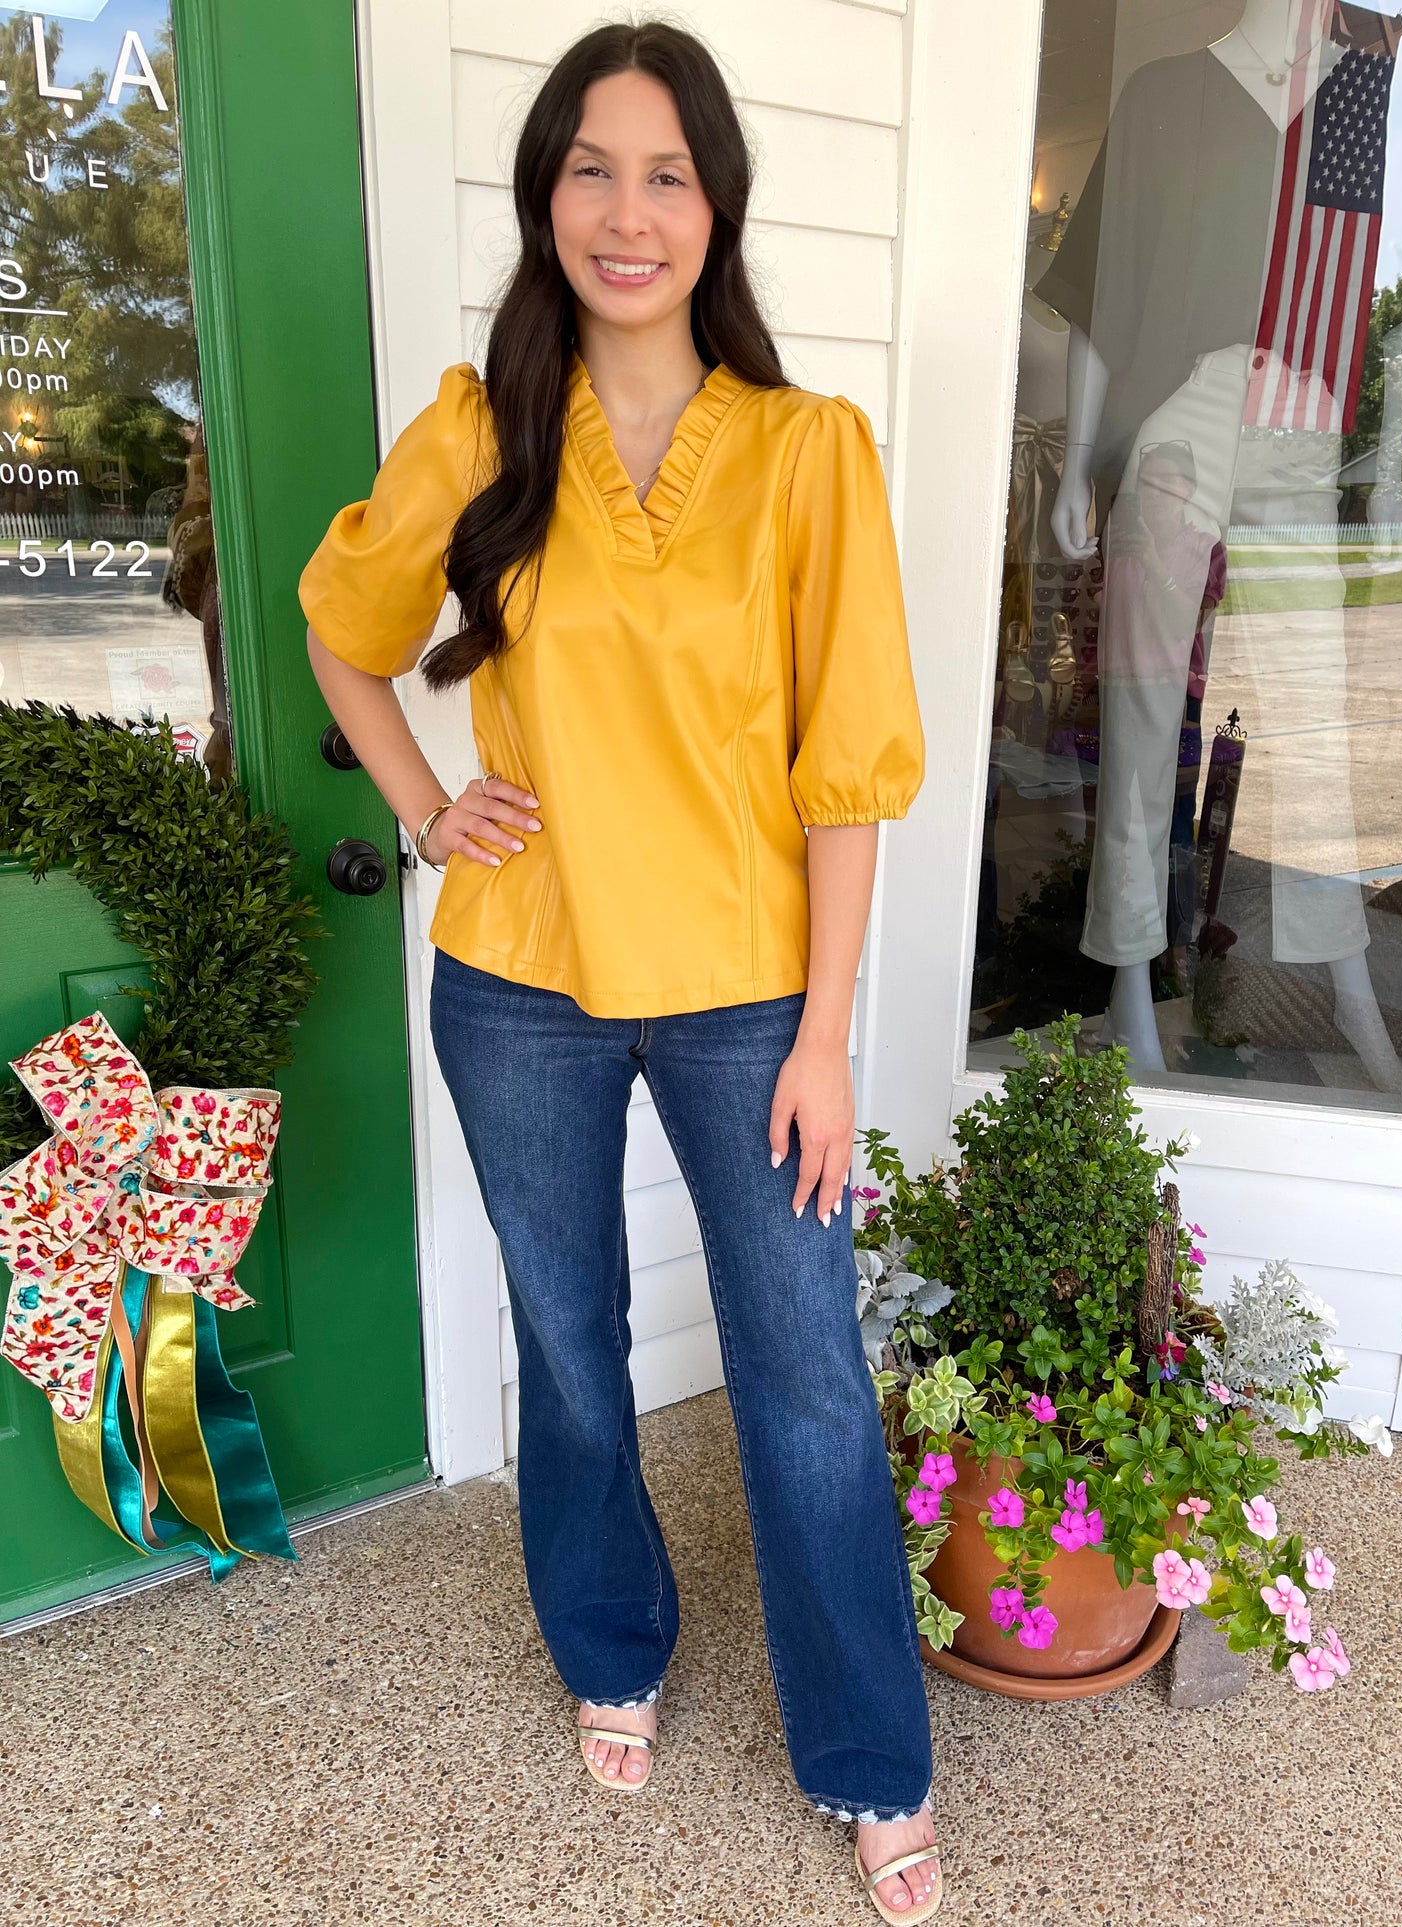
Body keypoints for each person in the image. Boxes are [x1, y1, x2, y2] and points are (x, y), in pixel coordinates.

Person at [299, 21, 940, 1922]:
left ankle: (866, 1755)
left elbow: (849, 774)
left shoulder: (808, 452)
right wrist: (429, 811)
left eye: (665, 170)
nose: (627, 209)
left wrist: (827, 1029)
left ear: (717, 198)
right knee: (570, 1349)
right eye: (590, 166)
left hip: (752, 992)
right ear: (544, 196)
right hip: (520, 986)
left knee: (804, 1376)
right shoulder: (481, 427)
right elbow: (348, 629)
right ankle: (609, 1644)